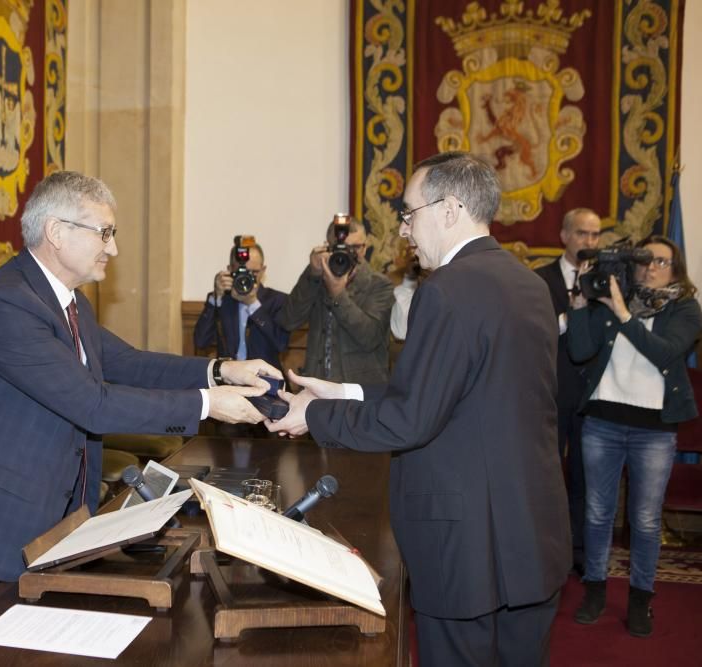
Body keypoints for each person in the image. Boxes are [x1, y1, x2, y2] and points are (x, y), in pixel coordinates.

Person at [0, 171, 280, 648]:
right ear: (57, 231)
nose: (112, 249)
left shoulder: (69, 304)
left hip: (28, 522)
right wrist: (208, 405)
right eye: (105, 233)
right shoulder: (8, 304)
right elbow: (91, 405)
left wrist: (222, 370)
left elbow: (130, 364)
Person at [268, 151, 570, 667]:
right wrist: (341, 392)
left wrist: (312, 415)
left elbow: (412, 420)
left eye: (410, 213)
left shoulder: (448, 291)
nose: (405, 230)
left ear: (449, 209)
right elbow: (460, 396)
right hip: (529, 531)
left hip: (466, 543)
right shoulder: (531, 285)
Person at [568, 236, 701, 638]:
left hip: (654, 430)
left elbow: (665, 352)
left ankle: (641, 598)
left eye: (662, 261)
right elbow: (579, 351)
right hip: (603, 422)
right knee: (597, 513)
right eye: (645, 260)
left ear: (676, 269)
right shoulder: (612, 299)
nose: (652, 267)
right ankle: (595, 592)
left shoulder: (685, 308)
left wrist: (625, 314)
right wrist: (579, 308)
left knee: (644, 520)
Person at [534, 207, 602, 575]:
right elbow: (535, 332)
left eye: (595, 235)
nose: (589, 242)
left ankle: (577, 551)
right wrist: (569, 316)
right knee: (547, 474)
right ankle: (544, 547)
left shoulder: (605, 280)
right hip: (550, 392)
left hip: (593, 395)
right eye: (582, 234)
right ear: (564, 236)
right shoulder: (539, 280)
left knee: (583, 478)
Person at [276, 218, 394, 384]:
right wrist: (312, 274)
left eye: (356, 247)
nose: (351, 254)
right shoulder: (317, 279)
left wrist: (338, 294)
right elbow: (288, 320)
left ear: (365, 247)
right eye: (343, 249)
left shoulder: (379, 285)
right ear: (328, 247)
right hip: (316, 389)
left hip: (360, 395)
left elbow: (370, 337)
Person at [193, 239, 290, 369]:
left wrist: (253, 304)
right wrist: (216, 298)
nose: (247, 279)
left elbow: (281, 344)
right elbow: (201, 342)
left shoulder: (277, 300)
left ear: (263, 270)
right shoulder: (223, 301)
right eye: (241, 273)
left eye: (253, 273)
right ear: (229, 270)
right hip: (228, 381)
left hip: (265, 381)